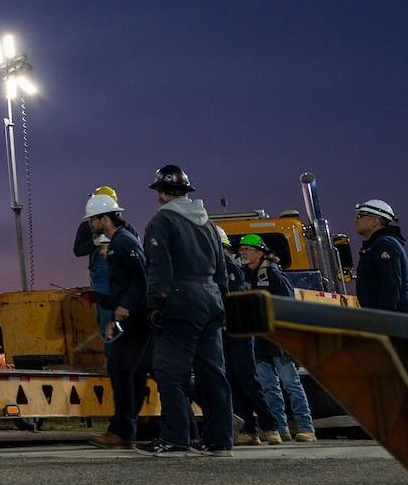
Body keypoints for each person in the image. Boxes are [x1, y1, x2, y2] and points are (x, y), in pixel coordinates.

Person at [135, 164, 234, 459]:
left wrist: (155, 304)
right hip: (211, 302)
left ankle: (175, 439)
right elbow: (222, 270)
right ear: (185, 192)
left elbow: (159, 268)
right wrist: (223, 303)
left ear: (161, 194)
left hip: (180, 303)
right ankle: (220, 440)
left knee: (170, 373)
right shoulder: (208, 224)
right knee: (214, 374)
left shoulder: (161, 222)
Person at [83, 194, 149, 449]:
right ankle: (122, 431)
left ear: (105, 218)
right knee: (123, 372)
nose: (90, 225)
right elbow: (124, 286)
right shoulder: (116, 243)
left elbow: (142, 278)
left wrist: (124, 307)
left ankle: (122, 432)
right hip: (129, 318)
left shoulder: (124, 242)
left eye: (93, 220)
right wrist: (101, 300)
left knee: (124, 372)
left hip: (137, 320)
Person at [237, 234, 315, 442]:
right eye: (241, 249)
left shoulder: (273, 275)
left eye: (246, 249)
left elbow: (288, 307)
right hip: (259, 340)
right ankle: (281, 429)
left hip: (277, 339)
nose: (242, 253)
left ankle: (306, 427)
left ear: (259, 252)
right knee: (269, 387)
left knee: (291, 384)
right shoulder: (245, 275)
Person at [220, 240, 279, 445]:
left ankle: (270, 426)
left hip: (239, 333)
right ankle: (249, 430)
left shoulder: (231, 270)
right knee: (231, 381)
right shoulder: (211, 269)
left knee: (247, 379)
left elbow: (231, 299)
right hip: (224, 333)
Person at [73, 185, 137, 333]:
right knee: (109, 326)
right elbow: (78, 250)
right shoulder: (87, 228)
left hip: (123, 282)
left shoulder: (126, 230)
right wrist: (94, 243)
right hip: (102, 283)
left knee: (120, 330)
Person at [352, 200, 408, 314]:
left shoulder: (384, 244)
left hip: (398, 320)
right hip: (393, 319)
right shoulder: (377, 245)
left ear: (374, 221)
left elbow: (391, 284)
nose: (355, 220)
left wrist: (383, 319)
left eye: (360, 216)